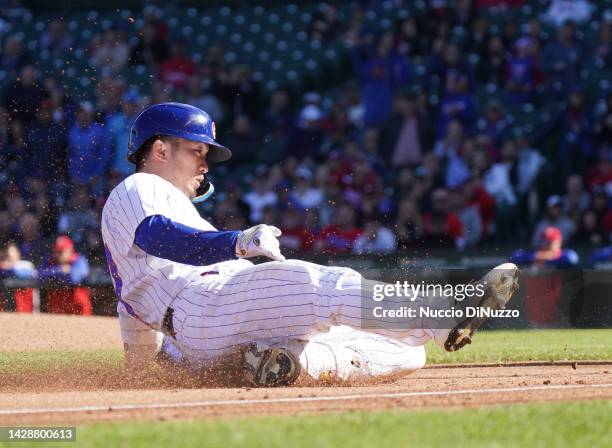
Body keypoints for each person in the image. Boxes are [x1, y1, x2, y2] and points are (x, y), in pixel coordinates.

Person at [101, 102, 520, 386]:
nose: (206, 163)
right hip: (208, 301)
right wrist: (236, 243)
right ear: (159, 149)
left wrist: (182, 364)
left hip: (208, 329)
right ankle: (446, 314)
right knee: (324, 285)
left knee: (408, 353)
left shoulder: (149, 226)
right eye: (196, 150)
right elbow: (162, 237)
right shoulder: (140, 185)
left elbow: (138, 334)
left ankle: (292, 363)